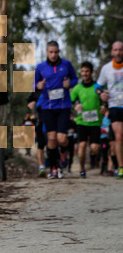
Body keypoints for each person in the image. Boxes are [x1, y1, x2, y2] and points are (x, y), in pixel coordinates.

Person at [35, 41, 78, 179]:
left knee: (62, 138)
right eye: (51, 52)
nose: (53, 55)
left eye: (56, 52)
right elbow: (35, 85)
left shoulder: (66, 64)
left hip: (64, 106)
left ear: (59, 52)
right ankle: (54, 168)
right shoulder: (40, 67)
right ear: (47, 52)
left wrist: (69, 83)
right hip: (48, 107)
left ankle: (64, 151)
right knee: (51, 139)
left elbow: (75, 79)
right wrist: (39, 85)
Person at [95, 41, 123, 179]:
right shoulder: (106, 68)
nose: (118, 52)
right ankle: (121, 167)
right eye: (115, 50)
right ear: (112, 52)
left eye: (120, 50)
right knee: (118, 136)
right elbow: (97, 86)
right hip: (115, 106)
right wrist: (101, 94)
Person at [70, 61, 101, 178]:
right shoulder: (77, 88)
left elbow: (103, 100)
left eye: (87, 71)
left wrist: (104, 107)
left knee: (94, 148)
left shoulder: (97, 87)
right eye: (83, 71)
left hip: (95, 122)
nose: (85, 73)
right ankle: (82, 168)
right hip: (81, 122)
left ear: (91, 72)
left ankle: (93, 158)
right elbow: (70, 102)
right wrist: (75, 107)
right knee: (81, 147)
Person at [27, 89, 46, 177]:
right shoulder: (36, 90)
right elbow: (29, 101)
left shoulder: (56, 85)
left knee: (52, 143)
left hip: (53, 121)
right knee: (41, 145)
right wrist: (31, 104)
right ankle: (41, 167)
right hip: (40, 121)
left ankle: (56, 166)